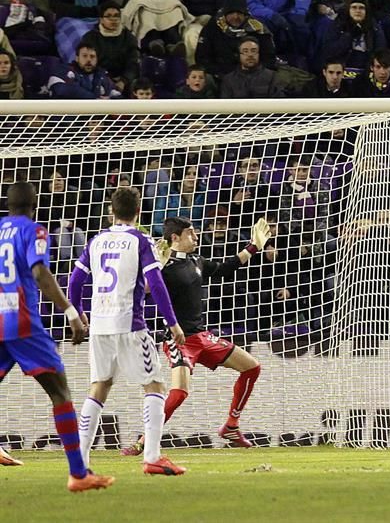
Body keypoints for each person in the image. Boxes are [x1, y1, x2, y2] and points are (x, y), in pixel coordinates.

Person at [119, 215, 270, 455]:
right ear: (175, 237)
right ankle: (143, 440)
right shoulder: (162, 266)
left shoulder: (197, 261)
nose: (196, 236)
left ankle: (231, 426)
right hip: (178, 339)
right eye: (191, 232)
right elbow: (143, 291)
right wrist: (156, 265)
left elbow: (223, 268)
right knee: (179, 393)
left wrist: (253, 247)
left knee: (252, 367)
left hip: (201, 336)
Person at [0, 182, 114, 492]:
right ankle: (79, 473)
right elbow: (40, 274)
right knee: (60, 393)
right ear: (34, 205)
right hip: (22, 323)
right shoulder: (34, 230)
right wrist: (71, 311)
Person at [70, 187, 187, 476]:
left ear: (112, 211)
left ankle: (81, 462)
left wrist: (78, 311)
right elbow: (156, 285)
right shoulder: (139, 240)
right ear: (138, 212)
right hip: (129, 325)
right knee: (155, 385)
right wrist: (172, 322)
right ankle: (152, 456)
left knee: (99, 386)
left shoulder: (96, 241)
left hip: (99, 325)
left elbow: (74, 282)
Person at [195, 0, 277, 80]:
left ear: (245, 14)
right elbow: (202, 58)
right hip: (221, 76)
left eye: (239, 13)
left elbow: (269, 59)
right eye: (231, 13)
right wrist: (223, 75)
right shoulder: (212, 27)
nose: (235, 16)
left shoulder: (257, 29)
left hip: (253, 77)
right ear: (225, 14)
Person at [78, 2, 140, 95]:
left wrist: (123, 81)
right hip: (99, 79)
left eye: (116, 16)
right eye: (108, 16)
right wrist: (106, 80)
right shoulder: (90, 38)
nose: (113, 19)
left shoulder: (129, 37)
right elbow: (87, 62)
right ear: (101, 19)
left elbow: (133, 63)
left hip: (124, 81)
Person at [48, 43, 122, 99]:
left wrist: (110, 100)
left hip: (98, 117)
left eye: (92, 56)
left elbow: (119, 96)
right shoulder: (64, 70)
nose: (89, 60)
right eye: (84, 56)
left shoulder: (102, 75)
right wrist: (95, 100)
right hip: (70, 117)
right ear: (77, 58)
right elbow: (60, 90)